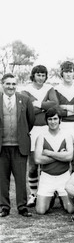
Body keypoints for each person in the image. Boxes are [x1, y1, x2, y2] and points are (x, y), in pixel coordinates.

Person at [21, 65, 59, 207]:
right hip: (32, 130)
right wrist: (44, 107)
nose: (41, 78)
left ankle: (46, 193)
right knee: (32, 165)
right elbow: (26, 109)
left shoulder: (49, 88)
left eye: (43, 75)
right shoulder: (25, 89)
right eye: (38, 75)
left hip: (46, 129)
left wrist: (36, 105)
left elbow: (54, 105)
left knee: (46, 163)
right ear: (33, 75)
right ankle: (33, 193)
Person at [0, 73, 35, 217]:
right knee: (2, 178)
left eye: (13, 84)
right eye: (8, 83)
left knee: (21, 178)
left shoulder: (25, 100)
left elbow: (30, 120)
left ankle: (22, 207)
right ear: (2, 84)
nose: (11, 87)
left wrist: (21, 134)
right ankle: (4, 207)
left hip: (19, 146)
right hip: (2, 146)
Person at [34, 108, 74, 215]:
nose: (53, 122)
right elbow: (37, 159)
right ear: (46, 121)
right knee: (40, 211)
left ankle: (61, 197)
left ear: (60, 120)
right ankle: (51, 197)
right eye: (50, 119)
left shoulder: (67, 135)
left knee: (71, 209)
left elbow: (69, 157)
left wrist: (49, 153)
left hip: (64, 176)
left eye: (55, 119)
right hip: (47, 177)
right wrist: (61, 155)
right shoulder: (41, 136)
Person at [55, 61, 74, 140]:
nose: (68, 74)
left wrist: (65, 106)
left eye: (70, 71)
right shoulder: (56, 89)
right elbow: (58, 111)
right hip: (63, 124)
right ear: (62, 73)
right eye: (66, 72)